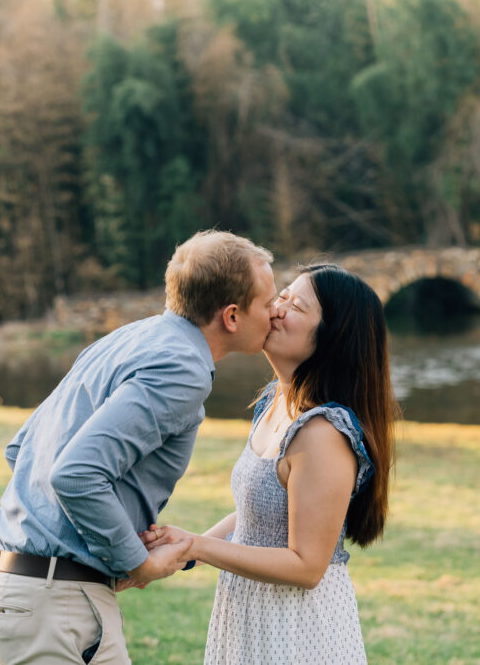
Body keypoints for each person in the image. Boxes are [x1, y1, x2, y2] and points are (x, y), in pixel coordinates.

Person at [0, 230, 280, 664]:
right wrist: (137, 562)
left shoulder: (130, 337)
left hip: (19, 587)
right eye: (267, 304)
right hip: (53, 603)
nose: (276, 311)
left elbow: (22, 450)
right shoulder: (183, 368)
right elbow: (75, 474)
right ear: (231, 316)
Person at [142, 264, 398, 664]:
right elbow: (258, 514)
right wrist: (186, 548)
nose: (275, 309)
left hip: (297, 628)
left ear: (332, 338)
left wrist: (200, 546)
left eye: (295, 305)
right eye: (281, 296)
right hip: (248, 612)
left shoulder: (322, 433)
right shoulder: (275, 402)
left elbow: (306, 565)